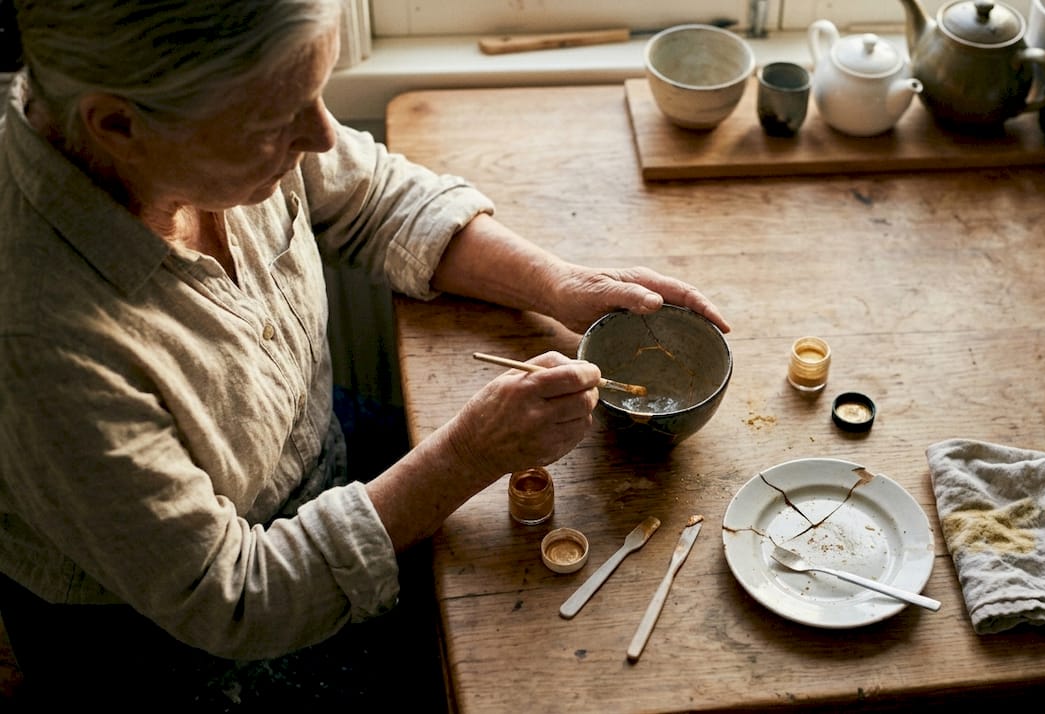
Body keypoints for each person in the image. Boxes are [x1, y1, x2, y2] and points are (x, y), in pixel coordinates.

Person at [0, 1, 730, 708]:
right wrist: (468, 456)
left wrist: (558, 284)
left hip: (318, 456)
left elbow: (373, 195)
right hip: (172, 637)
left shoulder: (201, 131)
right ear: (118, 125)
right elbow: (235, 598)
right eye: (275, 122)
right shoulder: (39, 341)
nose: (322, 136)